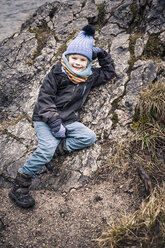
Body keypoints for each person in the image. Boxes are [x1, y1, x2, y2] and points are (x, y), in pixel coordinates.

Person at [8, 24, 116, 208]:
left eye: (83, 60)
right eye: (74, 58)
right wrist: (56, 124)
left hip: (69, 120)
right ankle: (19, 186)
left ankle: (57, 149)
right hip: (45, 119)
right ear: (67, 57)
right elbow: (45, 100)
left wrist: (102, 54)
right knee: (44, 150)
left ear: (89, 62)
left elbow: (109, 72)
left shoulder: (89, 76)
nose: (77, 63)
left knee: (88, 137)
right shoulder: (57, 74)